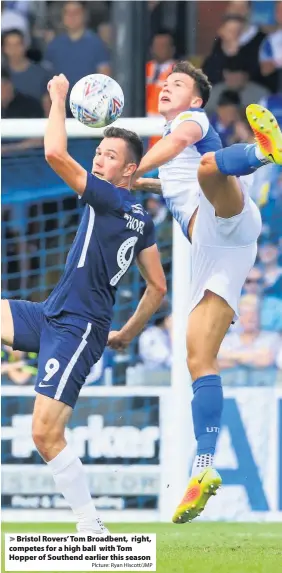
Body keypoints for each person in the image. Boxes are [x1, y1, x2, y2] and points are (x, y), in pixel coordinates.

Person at [1, 73, 167, 534]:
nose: (97, 160)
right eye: (97, 152)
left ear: (127, 171)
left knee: (44, 434)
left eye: (109, 156)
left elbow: (55, 153)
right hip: (57, 314)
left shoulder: (112, 201)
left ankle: (91, 526)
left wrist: (57, 100)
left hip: (77, 327)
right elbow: (157, 287)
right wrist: (125, 335)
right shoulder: (138, 215)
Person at [132, 60, 282, 523]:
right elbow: (175, 178)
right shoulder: (175, 145)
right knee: (198, 358)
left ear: (196, 99)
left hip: (222, 216)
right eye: (164, 83)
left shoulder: (190, 123)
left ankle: (263, 154)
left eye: (177, 84)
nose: (166, 89)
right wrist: (143, 180)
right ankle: (203, 469)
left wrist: (132, 167)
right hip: (220, 251)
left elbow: (180, 148)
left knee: (208, 166)